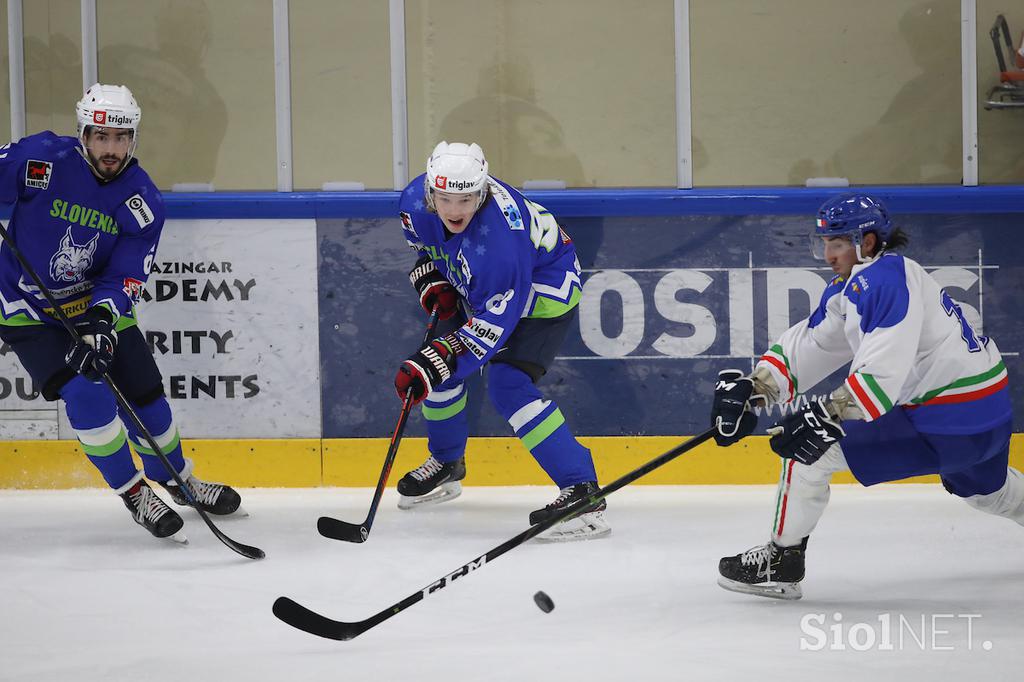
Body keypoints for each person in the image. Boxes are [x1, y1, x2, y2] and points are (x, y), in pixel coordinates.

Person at [709, 193, 1017, 599]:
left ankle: (780, 563)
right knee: (992, 494)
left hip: (948, 419)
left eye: (836, 244)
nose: (826, 255)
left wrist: (829, 415)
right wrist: (756, 390)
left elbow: (881, 375)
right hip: (989, 413)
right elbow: (816, 344)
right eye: (824, 243)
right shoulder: (868, 281)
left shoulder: (883, 282)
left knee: (806, 453)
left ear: (867, 241)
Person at [0, 84, 242, 543]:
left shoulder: (143, 200)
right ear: (84, 134)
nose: (111, 149)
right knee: (88, 395)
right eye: (102, 137)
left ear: (134, 139)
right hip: (28, 310)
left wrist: (103, 320)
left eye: (121, 138)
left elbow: (128, 271)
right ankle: (134, 493)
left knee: (146, 395)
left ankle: (177, 479)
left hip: (94, 306)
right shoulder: (41, 160)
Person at [393, 141, 608, 541]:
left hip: (542, 291)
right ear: (429, 193)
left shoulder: (499, 244)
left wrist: (438, 359)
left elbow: (491, 328)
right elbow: (430, 250)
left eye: (467, 199)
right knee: (439, 373)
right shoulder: (412, 203)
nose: (455, 210)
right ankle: (446, 463)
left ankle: (583, 491)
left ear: (483, 192)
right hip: (481, 284)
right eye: (445, 198)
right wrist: (433, 276)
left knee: (508, 386)